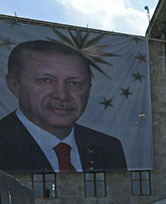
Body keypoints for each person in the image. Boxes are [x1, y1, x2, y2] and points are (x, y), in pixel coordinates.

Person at [0, 40, 127, 173]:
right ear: (14, 85)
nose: (62, 95)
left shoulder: (109, 148)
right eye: (45, 80)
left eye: (75, 83)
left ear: (89, 88)